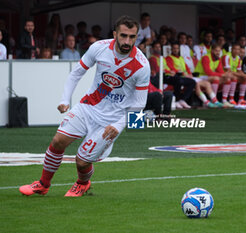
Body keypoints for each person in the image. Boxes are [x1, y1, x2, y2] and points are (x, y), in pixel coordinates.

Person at [19, 15, 150, 197]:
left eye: (132, 37)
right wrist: (65, 99)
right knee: (58, 141)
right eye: (123, 35)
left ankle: (83, 183)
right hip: (88, 107)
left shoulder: (142, 65)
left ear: (137, 37)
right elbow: (77, 73)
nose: (127, 41)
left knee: (81, 161)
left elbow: (140, 104)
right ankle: (43, 184)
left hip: (111, 122)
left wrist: (119, 126)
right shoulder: (99, 48)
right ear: (115, 34)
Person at [165, 42, 196, 109]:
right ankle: (177, 100)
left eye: (177, 48)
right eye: (174, 48)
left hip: (182, 76)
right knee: (179, 81)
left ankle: (183, 100)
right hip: (175, 76)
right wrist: (183, 74)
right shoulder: (169, 58)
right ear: (171, 49)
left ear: (179, 49)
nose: (176, 50)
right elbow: (171, 68)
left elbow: (186, 67)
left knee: (192, 82)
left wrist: (189, 73)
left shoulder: (181, 58)